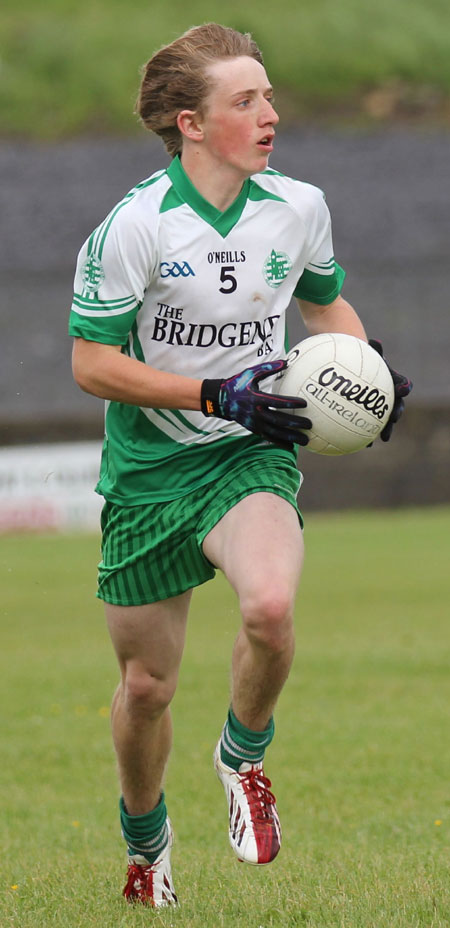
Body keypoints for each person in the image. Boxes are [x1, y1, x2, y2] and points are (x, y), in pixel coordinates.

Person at [69, 23, 412, 908]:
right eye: (246, 100)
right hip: (149, 472)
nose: (271, 114)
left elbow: (327, 308)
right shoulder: (135, 226)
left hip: (251, 453)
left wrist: (364, 369)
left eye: (268, 95)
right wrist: (215, 393)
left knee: (269, 606)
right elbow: (93, 365)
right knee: (146, 687)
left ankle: (243, 758)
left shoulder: (298, 207)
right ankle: (147, 847)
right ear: (190, 122)